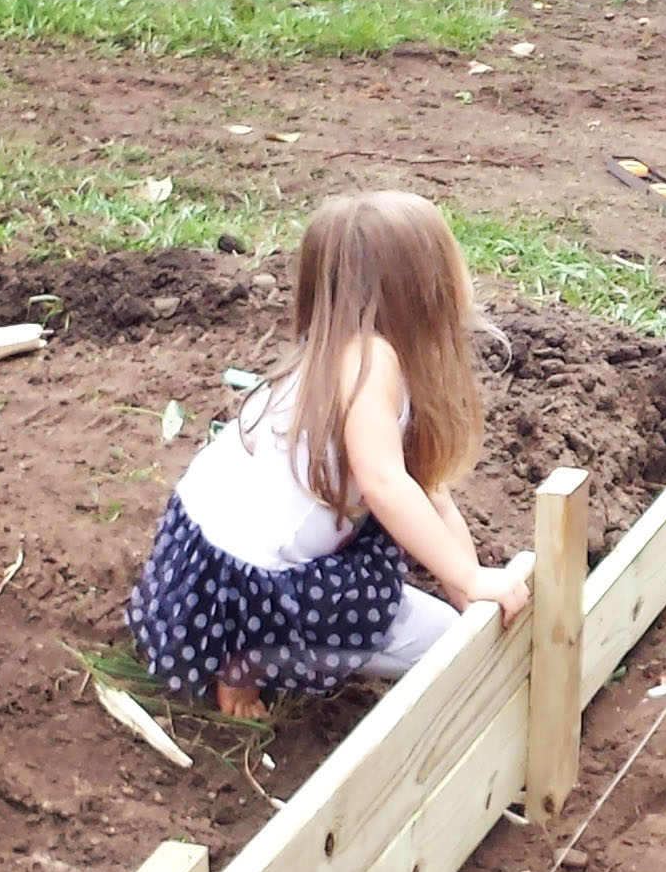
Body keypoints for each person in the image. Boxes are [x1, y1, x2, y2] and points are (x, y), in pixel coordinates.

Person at [129, 191, 529, 720]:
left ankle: (255, 650)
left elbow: (431, 496)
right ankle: (251, 661)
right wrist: (474, 585)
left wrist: (468, 586)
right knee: (441, 648)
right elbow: (386, 484)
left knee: (443, 604)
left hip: (204, 538)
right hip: (251, 585)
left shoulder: (340, 348)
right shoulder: (371, 361)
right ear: (420, 287)